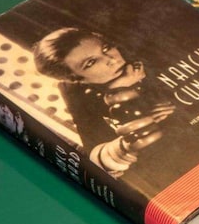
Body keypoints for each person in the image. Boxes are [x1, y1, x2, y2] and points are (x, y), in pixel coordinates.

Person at [33, 27, 172, 175]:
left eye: (106, 48)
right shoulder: (79, 97)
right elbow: (99, 153)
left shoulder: (144, 52)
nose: (112, 59)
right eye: (91, 62)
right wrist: (119, 88)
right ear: (75, 79)